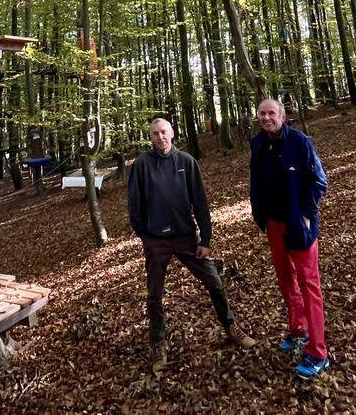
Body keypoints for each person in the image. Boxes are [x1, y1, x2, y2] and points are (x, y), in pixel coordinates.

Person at [128, 117, 256, 372]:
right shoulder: (142, 165)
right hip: (156, 242)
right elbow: (135, 205)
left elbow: (201, 202)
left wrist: (206, 239)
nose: (160, 137)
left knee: (215, 282)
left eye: (164, 132)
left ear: (172, 133)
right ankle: (158, 343)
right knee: (154, 295)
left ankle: (230, 326)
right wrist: (146, 237)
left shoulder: (186, 162)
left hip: (186, 237)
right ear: (150, 137)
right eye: (155, 134)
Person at [249, 98, 331, 379]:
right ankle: (298, 330)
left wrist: (306, 215)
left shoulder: (300, 142)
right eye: (262, 113)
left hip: (300, 224)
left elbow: (319, 181)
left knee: (309, 284)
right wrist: (258, 214)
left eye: (272, 113)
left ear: (282, 115)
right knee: (285, 279)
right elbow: (255, 181)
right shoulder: (258, 144)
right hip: (273, 224)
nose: (267, 117)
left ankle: (318, 352)